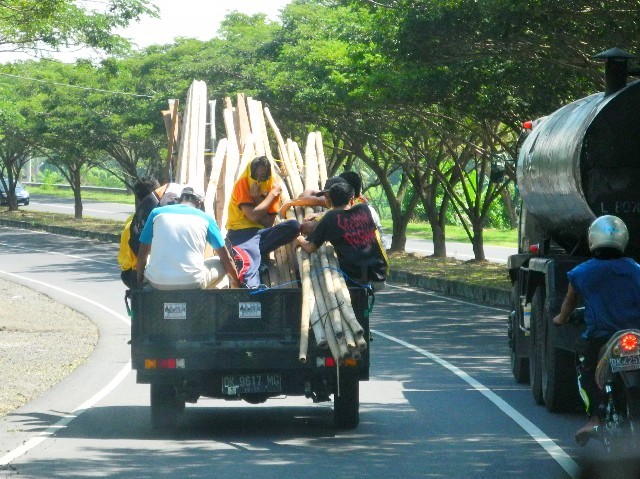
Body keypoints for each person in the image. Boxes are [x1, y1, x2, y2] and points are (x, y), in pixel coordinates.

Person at [553, 215, 640, 445]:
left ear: (593, 240)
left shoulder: (581, 273)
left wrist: (561, 318)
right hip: (636, 336)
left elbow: (569, 303)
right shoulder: (636, 269)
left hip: (601, 338)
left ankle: (594, 419)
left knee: (584, 367)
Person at [136, 185, 241, 290]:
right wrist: (237, 282)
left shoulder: (156, 213)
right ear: (199, 203)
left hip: (156, 282)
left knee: (150, 259)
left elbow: (142, 254)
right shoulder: (206, 219)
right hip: (193, 282)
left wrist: (139, 281)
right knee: (220, 261)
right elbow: (226, 259)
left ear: (180, 198)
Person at [295, 181, 389, 292]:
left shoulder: (330, 218)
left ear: (330, 201)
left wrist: (299, 239)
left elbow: (310, 247)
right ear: (351, 200)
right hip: (380, 275)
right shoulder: (365, 209)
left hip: (354, 280)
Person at [225, 155, 300, 288]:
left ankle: (257, 252)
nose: (259, 180)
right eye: (256, 175)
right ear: (250, 173)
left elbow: (268, 223)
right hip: (240, 233)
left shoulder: (272, 186)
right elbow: (253, 216)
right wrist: (270, 196)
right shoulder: (242, 184)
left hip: (260, 232)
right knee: (248, 261)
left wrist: (259, 198)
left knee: (293, 226)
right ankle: (252, 287)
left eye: (263, 176)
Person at [117, 176, 162, 289]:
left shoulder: (131, 221)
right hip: (148, 271)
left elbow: (125, 261)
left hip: (131, 272)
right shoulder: (162, 219)